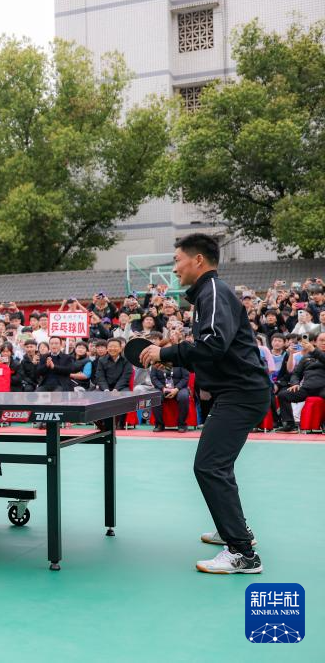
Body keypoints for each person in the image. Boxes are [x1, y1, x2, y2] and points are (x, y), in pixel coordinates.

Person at [140, 234, 271, 574]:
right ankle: (236, 531)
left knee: (209, 466)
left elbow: (213, 346)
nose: (174, 268)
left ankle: (243, 554)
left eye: (177, 260)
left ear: (198, 260)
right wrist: (174, 356)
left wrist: (165, 352)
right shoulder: (207, 295)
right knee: (218, 466)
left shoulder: (212, 292)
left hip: (241, 394)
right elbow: (215, 349)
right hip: (235, 392)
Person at [275, 332, 325, 432]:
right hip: (307, 387)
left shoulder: (317, 353)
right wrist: (295, 383)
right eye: (321, 340)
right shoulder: (306, 357)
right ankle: (289, 424)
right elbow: (296, 374)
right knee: (283, 395)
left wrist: (314, 350)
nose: (324, 343)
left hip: (323, 387)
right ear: (315, 342)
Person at [150, 364, 192, 432]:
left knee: (183, 397)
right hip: (161, 388)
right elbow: (153, 378)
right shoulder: (156, 362)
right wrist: (162, 388)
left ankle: (182, 424)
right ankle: (159, 424)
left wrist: (177, 389)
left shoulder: (181, 361)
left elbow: (185, 378)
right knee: (155, 396)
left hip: (179, 388)